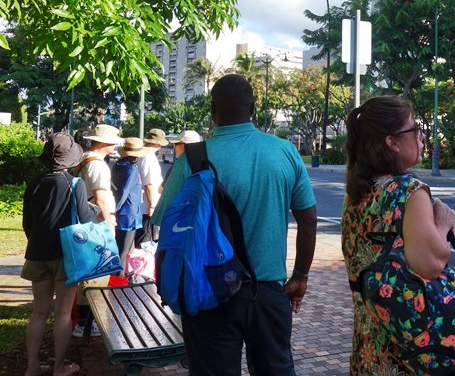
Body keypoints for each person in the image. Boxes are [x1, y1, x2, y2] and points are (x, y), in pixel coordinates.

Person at [152, 74, 317, 375]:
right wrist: (301, 277)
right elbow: (308, 223)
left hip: (208, 291)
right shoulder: (285, 151)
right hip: (268, 293)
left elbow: (167, 223)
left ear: (212, 109)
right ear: (253, 108)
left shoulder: (193, 158)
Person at [341, 96, 455, 375]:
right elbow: (432, 262)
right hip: (413, 357)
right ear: (392, 142)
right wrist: (445, 221)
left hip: (369, 347)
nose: (423, 136)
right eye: (415, 129)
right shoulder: (409, 191)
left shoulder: (356, 194)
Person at [21, 133, 95, 376]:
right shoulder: (75, 184)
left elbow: (27, 223)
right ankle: (59, 368)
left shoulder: (35, 182)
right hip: (66, 255)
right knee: (63, 313)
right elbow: (85, 220)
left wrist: (38, 241)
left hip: (37, 253)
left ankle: (32, 367)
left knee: (39, 312)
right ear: (70, 158)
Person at [71, 123, 121, 337]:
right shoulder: (97, 165)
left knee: (88, 273)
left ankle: (83, 321)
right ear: (105, 143)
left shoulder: (84, 159)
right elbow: (100, 197)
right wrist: (109, 223)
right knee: (96, 275)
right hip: (97, 225)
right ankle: (86, 323)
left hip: (85, 222)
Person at [111, 138, 150, 271]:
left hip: (121, 212)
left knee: (119, 246)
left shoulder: (117, 165)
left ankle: (117, 276)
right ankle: (119, 279)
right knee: (124, 251)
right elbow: (125, 191)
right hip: (129, 214)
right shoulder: (132, 169)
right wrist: (116, 209)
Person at [136, 128, 166, 244]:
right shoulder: (148, 157)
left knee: (144, 238)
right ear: (158, 144)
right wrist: (153, 206)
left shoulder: (142, 155)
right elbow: (149, 184)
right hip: (147, 206)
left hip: (143, 205)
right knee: (146, 241)